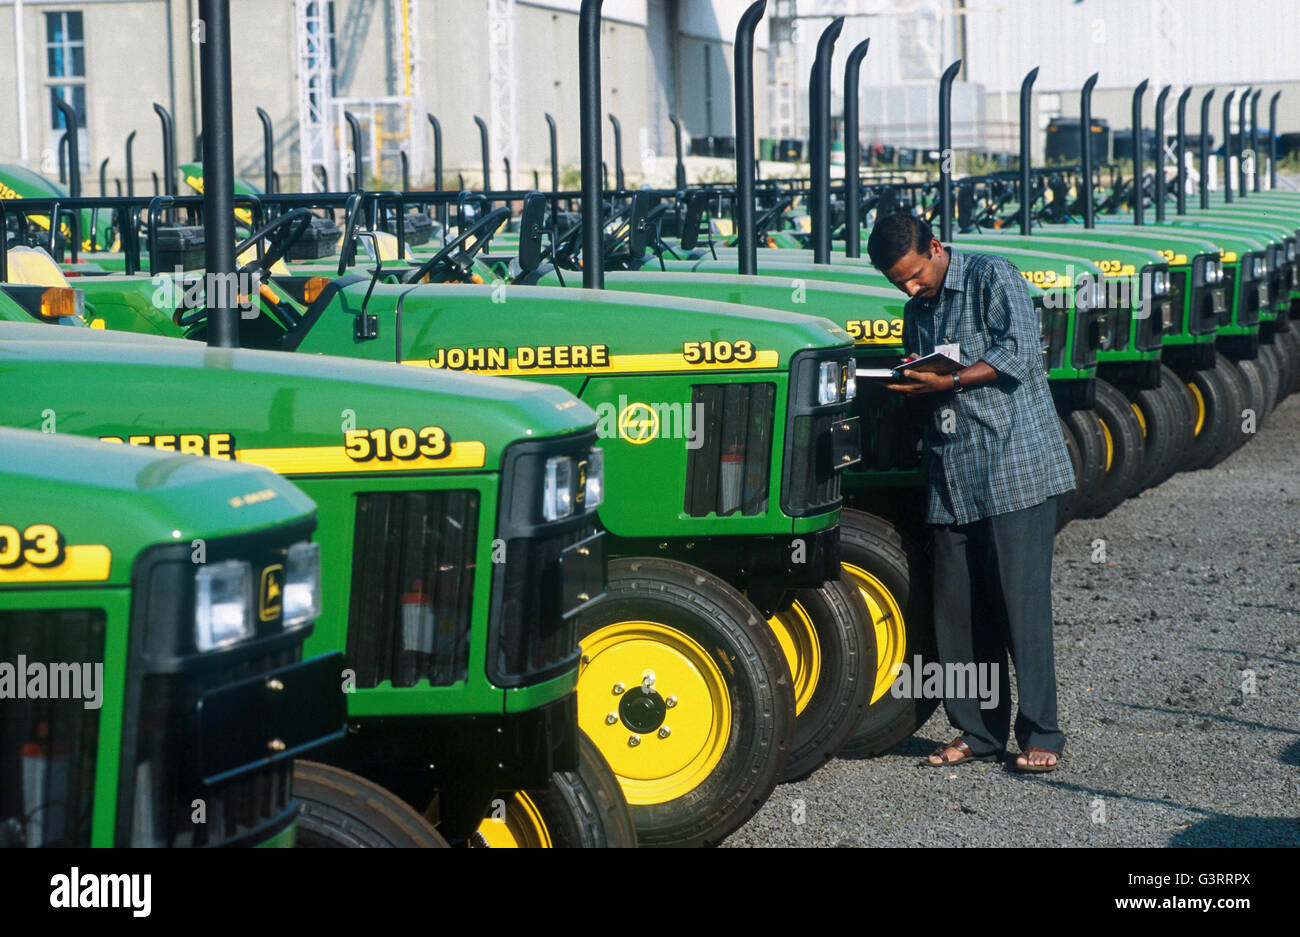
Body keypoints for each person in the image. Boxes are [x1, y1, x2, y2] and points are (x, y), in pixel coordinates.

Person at [865, 213, 1075, 773]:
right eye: (897, 283)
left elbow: (1022, 353)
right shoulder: (918, 311)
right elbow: (933, 379)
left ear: (935, 247)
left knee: (1019, 605)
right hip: (950, 475)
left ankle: (1042, 733)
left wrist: (950, 380)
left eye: (913, 275)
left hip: (1014, 468)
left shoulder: (991, 276)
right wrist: (909, 384)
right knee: (957, 614)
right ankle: (977, 733)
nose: (909, 289)